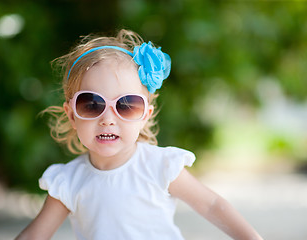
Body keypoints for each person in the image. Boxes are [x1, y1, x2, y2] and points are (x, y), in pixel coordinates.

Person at [16, 29, 263, 240]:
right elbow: (33, 236)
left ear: (145, 114)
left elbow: (211, 205)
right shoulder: (68, 182)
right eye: (91, 104)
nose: (108, 119)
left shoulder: (159, 166)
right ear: (71, 114)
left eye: (126, 105)